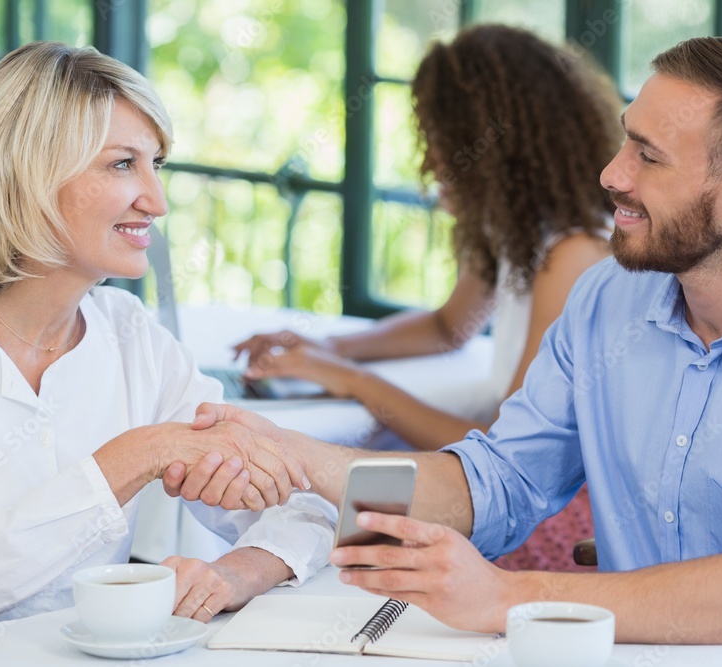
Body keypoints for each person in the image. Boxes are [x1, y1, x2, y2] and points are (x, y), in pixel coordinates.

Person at [170, 36, 722, 664]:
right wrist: (298, 457)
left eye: (648, 156)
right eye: (625, 138)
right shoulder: (609, 297)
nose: (612, 173)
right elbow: (500, 482)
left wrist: (507, 594)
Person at [0, 41, 335, 638]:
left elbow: (307, 504)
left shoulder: (130, 337)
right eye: (123, 164)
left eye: (157, 164)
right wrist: (140, 454)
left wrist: (242, 571)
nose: (158, 201)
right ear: (29, 171)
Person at [235, 24, 622, 572]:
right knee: (336, 510)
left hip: (550, 508)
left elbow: (506, 448)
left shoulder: (576, 253)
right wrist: (327, 349)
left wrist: (354, 381)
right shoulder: (522, 227)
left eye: (437, 141)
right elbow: (449, 327)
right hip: (509, 482)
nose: (429, 165)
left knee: (352, 524)